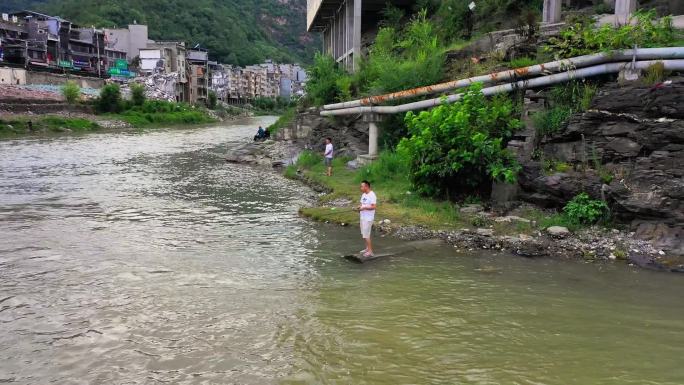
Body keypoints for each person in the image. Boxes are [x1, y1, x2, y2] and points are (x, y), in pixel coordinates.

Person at [357, 180, 377, 257]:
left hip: (368, 218)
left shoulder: (372, 195)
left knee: (366, 234)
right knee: (364, 234)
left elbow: (373, 207)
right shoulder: (363, 195)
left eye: (362, 186)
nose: (360, 188)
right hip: (362, 217)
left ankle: (370, 251)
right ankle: (367, 248)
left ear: (366, 186)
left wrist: (364, 207)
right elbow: (362, 204)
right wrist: (358, 208)